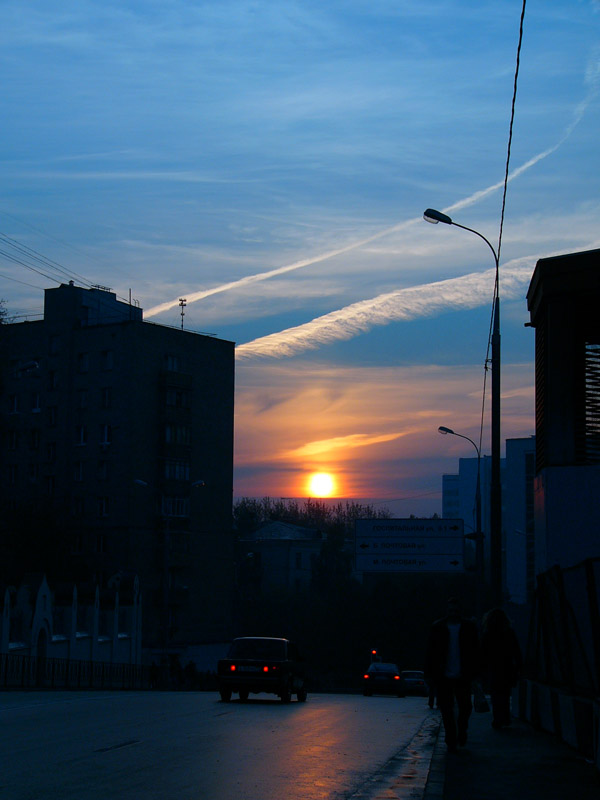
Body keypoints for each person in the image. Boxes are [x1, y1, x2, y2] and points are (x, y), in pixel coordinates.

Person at [425, 597, 480, 752]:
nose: (453, 613)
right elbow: (430, 652)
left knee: (465, 707)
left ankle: (460, 730)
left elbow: (475, 651)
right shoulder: (438, 627)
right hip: (444, 676)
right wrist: (429, 673)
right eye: (451, 611)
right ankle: (451, 737)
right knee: (447, 708)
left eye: (455, 611)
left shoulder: (468, 628)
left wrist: (476, 672)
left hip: (462, 675)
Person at [480, 607, 522, 729]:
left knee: (495, 694)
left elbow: (483, 652)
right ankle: (505, 716)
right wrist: (519, 666)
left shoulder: (488, 634)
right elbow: (516, 651)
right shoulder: (509, 632)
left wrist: (482, 669)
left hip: (493, 667)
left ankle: (497, 718)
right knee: (505, 693)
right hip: (507, 667)